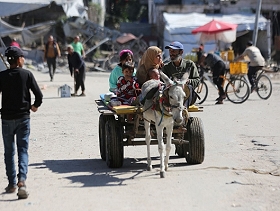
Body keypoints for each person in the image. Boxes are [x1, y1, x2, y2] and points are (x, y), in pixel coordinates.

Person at [0, 46, 43, 199]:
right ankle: (22, 181)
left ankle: (12, 183)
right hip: (23, 118)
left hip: (6, 119)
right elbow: (39, 95)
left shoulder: (2, 76)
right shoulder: (27, 74)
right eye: (22, 57)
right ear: (19, 60)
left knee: (9, 152)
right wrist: (34, 106)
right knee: (22, 150)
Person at [162, 41, 200, 107]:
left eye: (173, 51)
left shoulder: (190, 65)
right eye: (170, 51)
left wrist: (188, 81)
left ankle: (184, 108)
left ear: (181, 52)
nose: (171, 53)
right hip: (173, 97)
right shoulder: (166, 67)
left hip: (187, 96)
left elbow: (197, 80)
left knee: (189, 87)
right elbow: (162, 83)